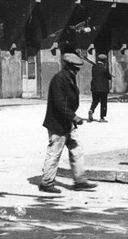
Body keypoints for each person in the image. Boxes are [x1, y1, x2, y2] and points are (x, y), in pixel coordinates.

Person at [39, 53, 97, 194]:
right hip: (58, 123)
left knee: (77, 150)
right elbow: (60, 103)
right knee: (54, 153)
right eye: (75, 69)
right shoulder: (59, 79)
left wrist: (72, 118)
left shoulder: (69, 78)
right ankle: (47, 183)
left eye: (78, 69)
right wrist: (74, 116)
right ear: (68, 67)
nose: (77, 71)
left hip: (68, 123)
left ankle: (80, 181)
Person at [88, 53, 113, 122]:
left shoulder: (94, 67)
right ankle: (102, 118)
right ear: (104, 60)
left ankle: (91, 110)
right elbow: (109, 77)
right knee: (103, 102)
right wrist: (109, 74)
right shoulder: (105, 68)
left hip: (94, 87)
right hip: (103, 88)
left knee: (95, 100)